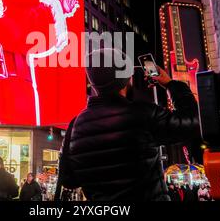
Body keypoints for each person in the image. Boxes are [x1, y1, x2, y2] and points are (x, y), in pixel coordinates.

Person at [57, 48, 199, 201]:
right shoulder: (143, 114)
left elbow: (69, 180)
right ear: (126, 79)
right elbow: (192, 121)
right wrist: (170, 84)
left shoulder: (75, 126)